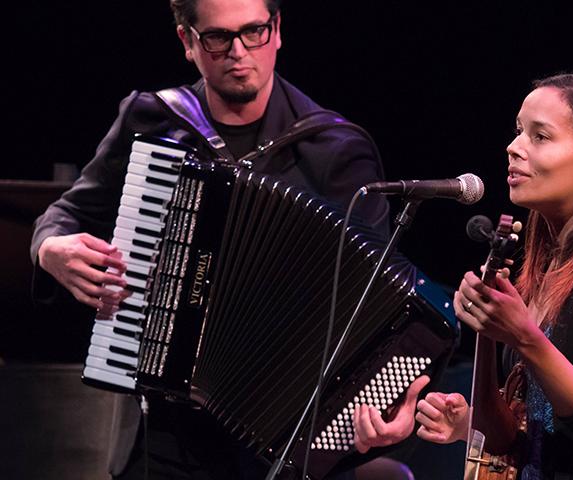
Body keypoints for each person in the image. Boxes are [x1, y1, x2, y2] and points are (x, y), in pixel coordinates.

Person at [30, 0, 390, 478]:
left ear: (277, 29)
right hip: (161, 428)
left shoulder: (336, 151)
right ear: (187, 41)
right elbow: (68, 214)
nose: (239, 52)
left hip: (281, 435)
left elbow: (374, 307)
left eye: (254, 32)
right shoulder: (153, 120)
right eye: (218, 38)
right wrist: (50, 249)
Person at [353, 73, 573, 479]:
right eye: (519, 131)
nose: (513, 147)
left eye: (540, 136)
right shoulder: (545, 265)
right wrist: (487, 333)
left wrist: (524, 335)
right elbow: (506, 439)